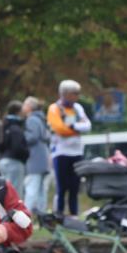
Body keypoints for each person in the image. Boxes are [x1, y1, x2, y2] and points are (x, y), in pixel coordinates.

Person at [47, 79, 91, 217]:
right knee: (62, 187)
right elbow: (59, 128)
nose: (77, 96)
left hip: (76, 152)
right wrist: (77, 129)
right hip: (61, 152)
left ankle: (74, 214)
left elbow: (87, 125)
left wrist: (73, 127)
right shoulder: (54, 108)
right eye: (74, 93)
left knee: (74, 186)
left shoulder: (78, 108)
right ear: (65, 93)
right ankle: (59, 213)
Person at [22, 95, 51, 213]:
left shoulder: (31, 119)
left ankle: (25, 215)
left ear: (29, 107)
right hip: (42, 157)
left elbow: (32, 136)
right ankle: (42, 213)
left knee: (32, 187)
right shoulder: (40, 119)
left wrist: (21, 137)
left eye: (24, 104)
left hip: (35, 158)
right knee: (40, 189)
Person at [0, 100, 29, 194]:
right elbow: (18, 147)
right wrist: (26, 154)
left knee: (5, 191)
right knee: (15, 192)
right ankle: (13, 209)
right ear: (18, 112)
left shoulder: (4, 125)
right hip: (14, 162)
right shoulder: (15, 128)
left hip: (3, 160)